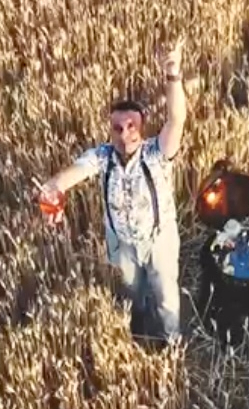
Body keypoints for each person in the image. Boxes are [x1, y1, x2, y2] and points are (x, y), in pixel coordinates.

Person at [35, 41, 188, 344]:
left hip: (159, 240)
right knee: (132, 291)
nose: (124, 133)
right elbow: (73, 174)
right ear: (109, 131)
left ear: (142, 129)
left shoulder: (156, 153)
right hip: (121, 242)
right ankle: (140, 326)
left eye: (131, 126)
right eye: (117, 128)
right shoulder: (101, 157)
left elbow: (177, 120)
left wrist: (173, 75)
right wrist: (53, 189)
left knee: (167, 295)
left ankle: (171, 342)